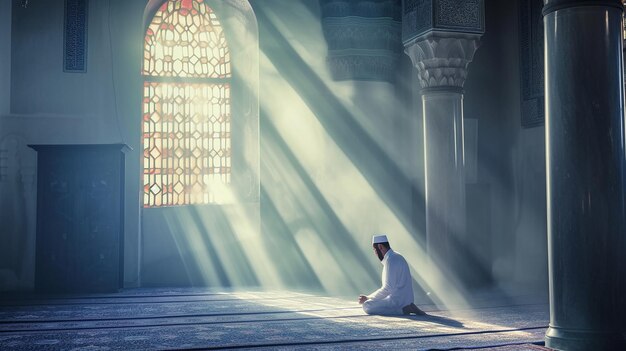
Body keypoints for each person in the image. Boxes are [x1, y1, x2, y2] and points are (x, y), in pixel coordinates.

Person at [358, 234, 426, 316]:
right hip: (406, 299)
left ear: (380, 247)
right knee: (371, 302)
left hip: (397, 301)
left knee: (367, 306)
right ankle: (408, 307)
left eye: (374, 250)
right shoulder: (396, 256)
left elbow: (388, 289)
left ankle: (404, 310)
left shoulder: (391, 260)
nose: (375, 253)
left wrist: (368, 298)